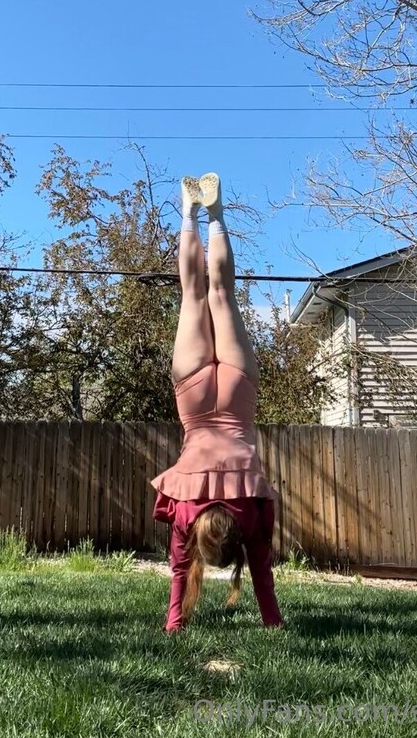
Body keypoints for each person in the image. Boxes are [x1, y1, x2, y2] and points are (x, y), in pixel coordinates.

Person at [150, 172, 284, 633]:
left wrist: (273, 621)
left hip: (237, 395)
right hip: (194, 401)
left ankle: (216, 214)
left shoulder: (251, 519)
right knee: (193, 297)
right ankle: (189, 212)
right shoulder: (187, 515)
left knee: (222, 295)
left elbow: (262, 575)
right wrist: (174, 622)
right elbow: (179, 572)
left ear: (235, 543)